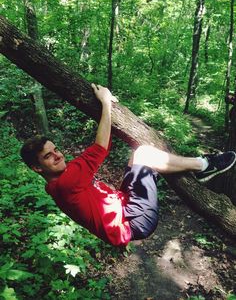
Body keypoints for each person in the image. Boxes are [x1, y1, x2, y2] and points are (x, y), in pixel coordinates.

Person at [20, 84, 236, 247]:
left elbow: (103, 146)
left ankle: (189, 167)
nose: (57, 155)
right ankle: (204, 164)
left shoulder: (60, 184)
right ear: (37, 168)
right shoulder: (66, 182)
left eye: (56, 149)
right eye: (48, 156)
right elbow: (100, 147)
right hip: (135, 221)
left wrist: (109, 109)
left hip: (125, 207)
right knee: (144, 153)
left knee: (138, 155)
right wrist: (105, 102)